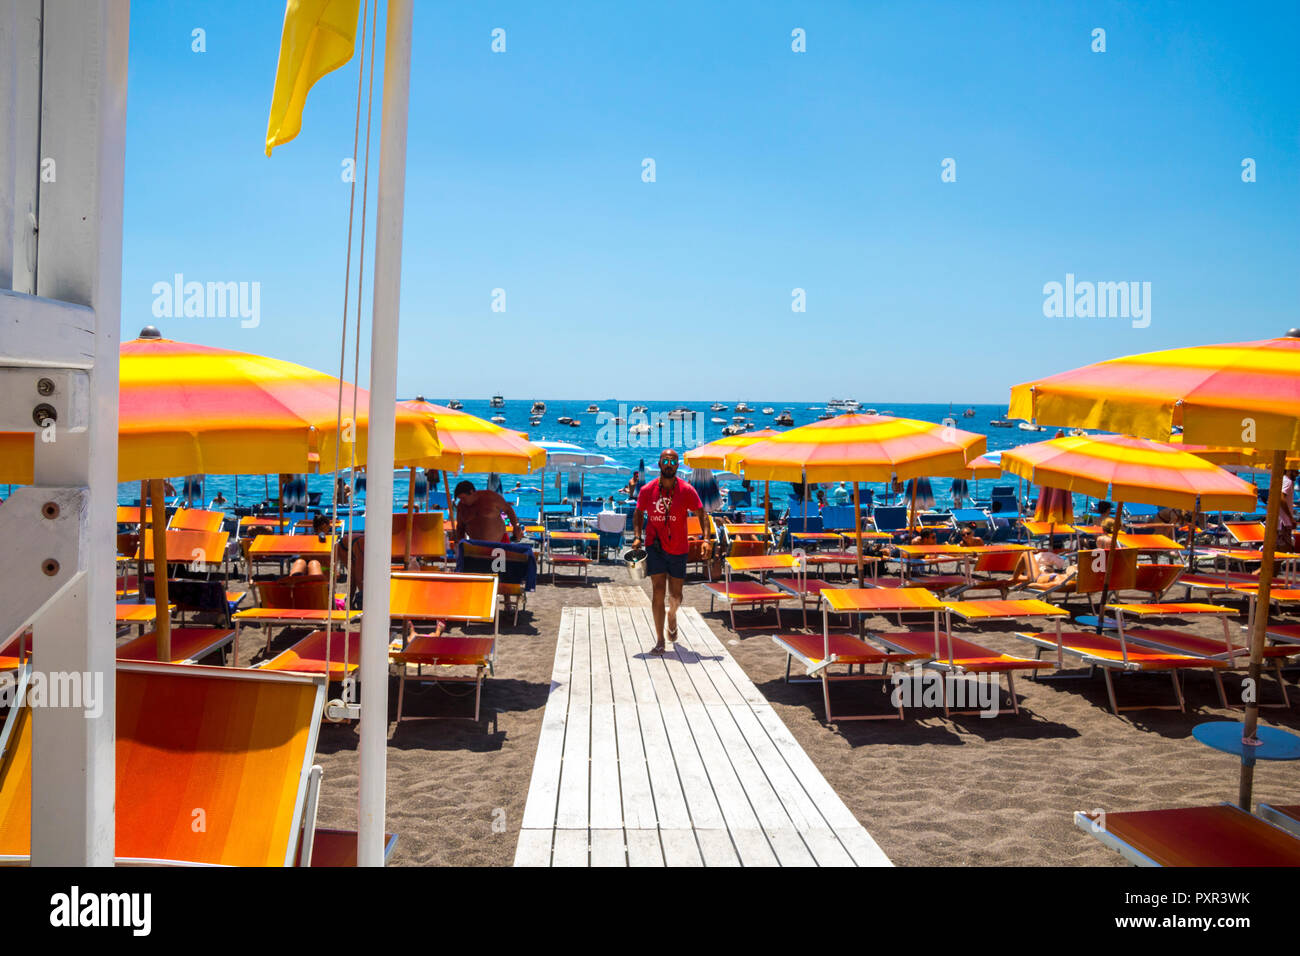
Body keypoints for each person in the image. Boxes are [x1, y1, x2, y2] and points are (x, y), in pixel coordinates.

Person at [631, 449, 712, 654]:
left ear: (677, 466)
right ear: (659, 464)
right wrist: (638, 536)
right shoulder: (647, 490)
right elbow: (638, 513)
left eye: (673, 461)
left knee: (676, 596)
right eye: (665, 461)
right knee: (658, 591)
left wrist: (707, 539)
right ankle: (660, 640)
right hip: (655, 546)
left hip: (678, 548)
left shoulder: (686, 490)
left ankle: (673, 615)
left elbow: (702, 514)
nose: (669, 464)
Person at [454, 480, 524, 544]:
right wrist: (460, 543)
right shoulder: (461, 506)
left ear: (472, 492)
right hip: (476, 546)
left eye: (463, 498)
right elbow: (460, 527)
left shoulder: (490, 497)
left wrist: (515, 526)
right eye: (460, 499)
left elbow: (508, 509)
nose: (462, 501)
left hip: (500, 542)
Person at [1280, 469, 1298, 535]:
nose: (1298, 474)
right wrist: (1291, 518)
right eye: (1296, 472)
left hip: (1280, 521)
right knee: (1285, 544)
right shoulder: (1288, 481)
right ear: (1289, 470)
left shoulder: (1281, 480)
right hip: (1284, 522)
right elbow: (1281, 498)